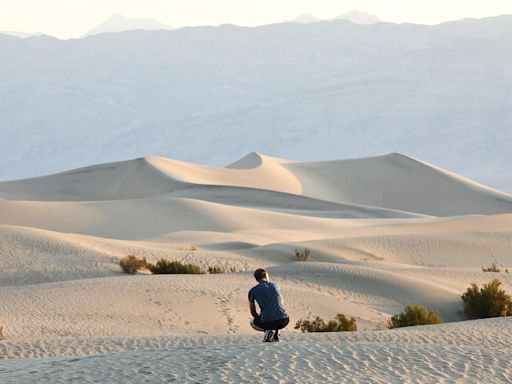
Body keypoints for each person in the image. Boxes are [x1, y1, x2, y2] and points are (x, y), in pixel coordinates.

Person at [248, 268, 289, 342]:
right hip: (285, 319)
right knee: (275, 313)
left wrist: (259, 318)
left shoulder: (252, 291)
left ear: (256, 279)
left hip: (268, 322)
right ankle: (275, 333)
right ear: (266, 276)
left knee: (252, 322)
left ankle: (268, 330)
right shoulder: (275, 286)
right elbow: (279, 303)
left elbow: (253, 312)